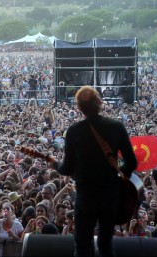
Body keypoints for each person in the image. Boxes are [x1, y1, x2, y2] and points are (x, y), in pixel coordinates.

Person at [52, 86, 137, 256]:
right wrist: (119, 178)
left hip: (86, 195)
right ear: (99, 102)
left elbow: (67, 168)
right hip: (110, 194)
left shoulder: (74, 131)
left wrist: (55, 165)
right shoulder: (116, 127)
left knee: (83, 244)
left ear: (79, 107)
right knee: (106, 243)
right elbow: (132, 162)